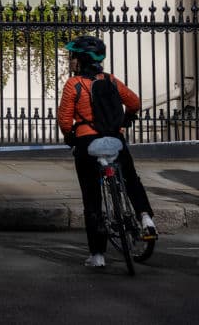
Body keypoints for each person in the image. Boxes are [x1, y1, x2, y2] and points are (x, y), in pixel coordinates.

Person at [57, 35, 158, 269]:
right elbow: (134, 102)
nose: (70, 61)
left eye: (72, 57)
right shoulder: (111, 80)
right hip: (114, 138)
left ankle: (98, 255)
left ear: (80, 60)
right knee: (131, 179)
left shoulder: (74, 85)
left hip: (87, 142)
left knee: (92, 197)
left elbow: (64, 120)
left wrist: (70, 137)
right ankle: (145, 217)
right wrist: (125, 120)